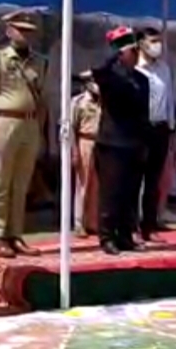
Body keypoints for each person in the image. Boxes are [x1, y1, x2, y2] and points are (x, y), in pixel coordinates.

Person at [0, 10, 46, 258]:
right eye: (20, 29)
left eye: (29, 30)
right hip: (5, 121)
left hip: (30, 123)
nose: (25, 34)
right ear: (9, 31)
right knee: (1, 182)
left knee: (21, 183)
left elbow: (43, 98)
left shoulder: (39, 62)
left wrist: (41, 130)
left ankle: (16, 234)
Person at [92, 26, 150, 255]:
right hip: (112, 142)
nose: (136, 55)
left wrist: (145, 143)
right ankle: (107, 236)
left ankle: (125, 235)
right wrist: (114, 52)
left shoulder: (142, 80)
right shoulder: (110, 76)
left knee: (130, 193)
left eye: (137, 51)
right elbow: (98, 70)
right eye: (131, 51)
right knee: (111, 193)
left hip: (134, 143)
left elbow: (144, 113)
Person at [134, 27, 176, 241]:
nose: (157, 45)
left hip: (160, 128)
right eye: (152, 41)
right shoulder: (135, 68)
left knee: (153, 181)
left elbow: (169, 99)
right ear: (141, 43)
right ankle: (131, 225)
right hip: (139, 128)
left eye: (159, 41)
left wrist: (171, 128)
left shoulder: (164, 69)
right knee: (135, 179)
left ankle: (149, 226)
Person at [71, 72, 101, 237]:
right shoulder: (79, 102)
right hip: (85, 141)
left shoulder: (103, 101)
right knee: (83, 184)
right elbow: (71, 128)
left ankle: (92, 222)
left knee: (97, 185)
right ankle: (79, 222)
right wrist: (74, 150)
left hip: (100, 143)